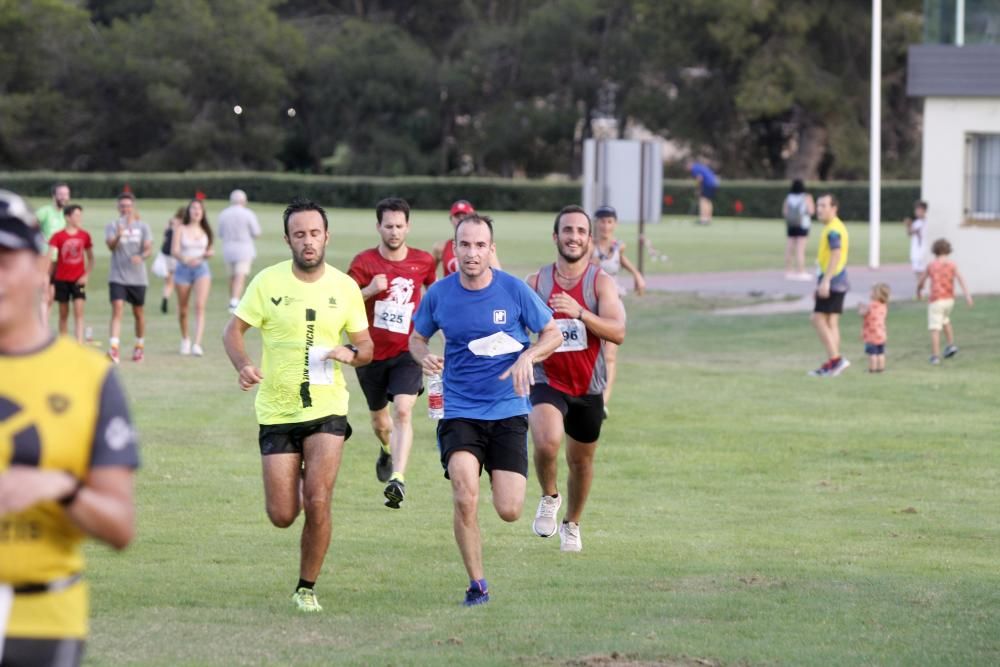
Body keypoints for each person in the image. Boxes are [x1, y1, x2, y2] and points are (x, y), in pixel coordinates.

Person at [0, 190, 139, 667]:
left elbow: (120, 526)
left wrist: (58, 488)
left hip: (43, 622)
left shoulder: (90, 377)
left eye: (4, 259)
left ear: (41, 267)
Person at [222, 198, 373, 613]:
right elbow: (232, 331)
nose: (308, 241)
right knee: (283, 514)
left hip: (327, 409)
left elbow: (367, 347)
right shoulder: (267, 282)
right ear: (287, 239)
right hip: (277, 410)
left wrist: (350, 353)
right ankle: (302, 482)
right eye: (300, 234)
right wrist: (244, 364)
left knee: (319, 500)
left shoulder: (343, 287)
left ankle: (306, 587)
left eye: (315, 233)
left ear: (327, 236)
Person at [409, 213, 561, 606]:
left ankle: (510, 486)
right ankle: (477, 585)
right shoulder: (440, 294)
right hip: (459, 408)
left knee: (509, 509)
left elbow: (553, 333)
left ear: (492, 249)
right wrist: (424, 355)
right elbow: (416, 338)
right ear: (454, 248)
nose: (472, 253)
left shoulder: (513, 290)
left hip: (508, 407)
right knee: (464, 492)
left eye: (480, 245)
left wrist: (530, 356)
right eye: (465, 245)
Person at [527, 205, 625, 553]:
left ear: (589, 238)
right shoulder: (537, 282)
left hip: (588, 386)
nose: (574, 237)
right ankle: (549, 496)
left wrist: (581, 312)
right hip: (547, 380)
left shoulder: (601, 282)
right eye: (567, 230)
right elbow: (517, 328)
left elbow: (618, 331)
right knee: (546, 441)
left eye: (581, 231)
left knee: (581, 462)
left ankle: (572, 522)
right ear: (556, 237)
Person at [347, 197, 436, 508]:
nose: (394, 232)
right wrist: (370, 289)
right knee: (380, 423)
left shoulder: (424, 262)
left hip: (406, 352)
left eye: (400, 226)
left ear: (408, 227)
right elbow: (343, 302)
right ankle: (385, 449)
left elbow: (435, 295)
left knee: (402, 411)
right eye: (388, 226)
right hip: (369, 353)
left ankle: (398, 477)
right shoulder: (363, 262)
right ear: (378, 227)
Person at [590, 205, 643, 416]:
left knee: (610, 354)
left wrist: (637, 275)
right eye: (602, 221)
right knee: (593, 353)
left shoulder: (618, 247)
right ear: (596, 223)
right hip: (592, 304)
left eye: (609, 221)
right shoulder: (587, 246)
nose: (605, 225)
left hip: (614, 305)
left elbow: (622, 261)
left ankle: (602, 401)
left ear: (615, 224)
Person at [105, 192, 152, 364]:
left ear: (133, 207)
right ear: (118, 207)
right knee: (117, 308)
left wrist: (142, 256)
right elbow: (110, 246)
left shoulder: (143, 227)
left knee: (138, 312)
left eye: (128, 206)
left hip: (138, 277)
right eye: (122, 206)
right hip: (117, 276)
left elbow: (148, 248)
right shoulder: (112, 225)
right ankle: (114, 349)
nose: (125, 209)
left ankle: (139, 346)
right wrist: (119, 234)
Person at [808, 194, 851, 377]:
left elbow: (836, 254)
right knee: (831, 321)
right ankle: (834, 363)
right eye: (818, 205)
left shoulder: (833, 229)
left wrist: (825, 282)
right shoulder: (834, 227)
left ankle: (836, 359)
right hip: (838, 281)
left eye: (824, 206)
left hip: (833, 281)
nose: (820, 209)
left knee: (817, 319)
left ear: (834, 209)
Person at [917, 238, 973, 365]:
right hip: (949, 300)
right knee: (945, 320)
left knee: (935, 328)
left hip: (936, 300)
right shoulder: (952, 265)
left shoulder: (932, 265)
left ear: (934, 251)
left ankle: (935, 356)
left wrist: (918, 291)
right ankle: (950, 345)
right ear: (948, 250)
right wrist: (967, 296)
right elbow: (961, 279)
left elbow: (922, 281)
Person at [171, 199, 214, 357]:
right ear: (189, 211)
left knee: (200, 306)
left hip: (202, 269)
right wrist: (186, 259)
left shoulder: (205, 230)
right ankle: (185, 339)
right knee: (183, 309)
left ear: (203, 213)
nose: (196, 211)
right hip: (183, 270)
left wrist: (208, 254)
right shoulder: (181, 228)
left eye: (199, 209)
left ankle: (197, 343)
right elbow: (174, 250)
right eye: (194, 208)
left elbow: (210, 249)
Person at [48, 204, 94, 343]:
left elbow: (91, 258)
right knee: (63, 314)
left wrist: (86, 275)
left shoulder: (84, 235)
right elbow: (49, 257)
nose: (79, 218)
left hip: (78, 281)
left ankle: (79, 344)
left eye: (80, 215)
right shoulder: (58, 236)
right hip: (61, 279)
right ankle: (64, 345)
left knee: (79, 312)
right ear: (68, 217)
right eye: (76, 215)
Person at [217, 189, 261, 313]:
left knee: (232, 276)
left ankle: (233, 300)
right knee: (240, 275)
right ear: (243, 201)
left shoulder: (224, 214)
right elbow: (256, 232)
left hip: (228, 248)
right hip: (244, 248)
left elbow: (220, 233)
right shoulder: (248, 214)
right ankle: (235, 301)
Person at [34, 183, 71, 324]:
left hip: (61, 259)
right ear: (54, 195)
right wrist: (39, 237)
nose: (63, 197)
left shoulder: (68, 214)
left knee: (51, 296)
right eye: (60, 194)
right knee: (44, 294)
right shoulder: (45, 211)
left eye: (66, 194)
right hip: (45, 257)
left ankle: (43, 325)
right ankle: (42, 330)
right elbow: (29, 224)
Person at [431, 200, 500, 277]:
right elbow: (429, 273)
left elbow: (498, 274)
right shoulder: (441, 247)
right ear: (451, 219)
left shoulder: (484, 246)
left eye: (465, 216)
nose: (461, 219)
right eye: (457, 216)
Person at [152, 207, 184, 315]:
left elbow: (164, 237)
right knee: (178, 282)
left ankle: (165, 297)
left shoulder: (171, 222)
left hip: (165, 255)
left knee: (168, 282)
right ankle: (179, 305)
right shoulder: (184, 225)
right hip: (176, 256)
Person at [782, 179, 815, 279]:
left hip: (791, 225)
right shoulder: (806, 197)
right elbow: (811, 211)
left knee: (789, 248)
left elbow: (784, 212)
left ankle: (788, 270)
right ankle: (801, 271)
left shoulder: (788, 197)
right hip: (803, 225)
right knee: (800, 249)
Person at [858, 282, 890, 373]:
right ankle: (881, 368)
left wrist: (860, 307)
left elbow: (862, 314)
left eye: (871, 291)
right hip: (881, 333)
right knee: (881, 353)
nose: (870, 293)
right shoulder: (884, 306)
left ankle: (872, 369)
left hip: (871, 333)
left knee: (872, 354)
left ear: (876, 294)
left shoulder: (871, 305)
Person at [688, 161, 719, 226]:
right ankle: (708, 219)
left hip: (708, 184)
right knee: (708, 201)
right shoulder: (699, 166)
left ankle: (703, 219)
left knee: (703, 200)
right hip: (714, 183)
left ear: (689, 165)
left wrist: (698, 188)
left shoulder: (694, 168)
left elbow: (699, 178)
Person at [904, 200, 928, 281]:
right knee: (917, 271)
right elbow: (909, 233)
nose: (917, 212)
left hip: (922, 251)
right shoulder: (916, 222)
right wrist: (908, 226)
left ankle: (921, 289)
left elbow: (916, 232)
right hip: (915, 250)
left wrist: (909, 225)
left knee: (922, 271)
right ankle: (919, 289)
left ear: (924, 211)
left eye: (919, 210)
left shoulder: (925, 222)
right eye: (916, 210)